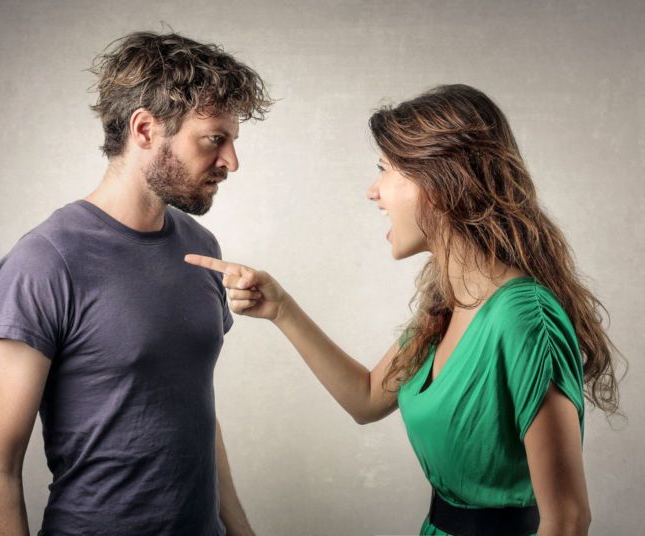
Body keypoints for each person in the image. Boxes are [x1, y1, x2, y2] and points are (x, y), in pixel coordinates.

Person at [185, 84, 622, 536]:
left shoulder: (523, 317)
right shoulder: (447, 306)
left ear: (439, 182)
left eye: (385, 169)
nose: (374, 192)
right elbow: (368, 397)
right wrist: (281, 309)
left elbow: (568, 519)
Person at [0, 31, 271, 535]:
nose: (231, 162)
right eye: (214, 138)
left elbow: (194, 411)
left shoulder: (202, 247)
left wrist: (239, 531)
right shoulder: (44, 262)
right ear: (145, 128)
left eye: (233, 140)